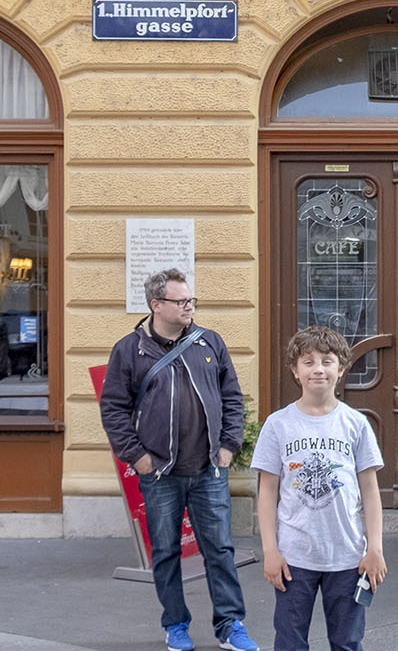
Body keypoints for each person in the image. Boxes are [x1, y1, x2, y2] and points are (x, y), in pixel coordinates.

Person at [99, 268, 258, 651]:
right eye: (181, 301)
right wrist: (138, 458)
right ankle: (175, 624)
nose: (189, 307)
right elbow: (114, 409)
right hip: (158, 474)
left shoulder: (210, 343)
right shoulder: (129, 349)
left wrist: (227, 446)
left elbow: (232, 398)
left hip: (209, 469)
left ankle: (230, 625)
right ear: (156, 305)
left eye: (191, 300)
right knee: (166, 552)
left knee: (219, 550)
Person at [253, 326, 387, 651]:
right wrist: (271, 551)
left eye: (327, 361)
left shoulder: (356, 424)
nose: (318, 369)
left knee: (347, 641)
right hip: (293, 556)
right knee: (289, 640)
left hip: (347, 555)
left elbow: (370, 491)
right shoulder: (278, 425)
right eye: (308, 361)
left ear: (341, 369)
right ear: (294, 370)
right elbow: (268, 492)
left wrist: (375, 548)